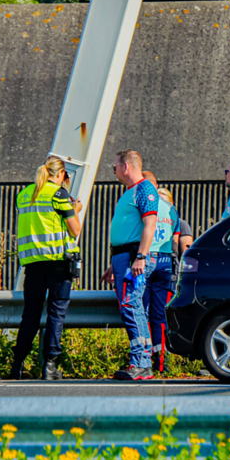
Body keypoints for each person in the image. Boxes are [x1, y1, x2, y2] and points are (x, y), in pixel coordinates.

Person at [9, 157, 83, 381]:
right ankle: (49, 365)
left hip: (32, 263)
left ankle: (17, 364)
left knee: (30, 314)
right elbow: (74, 230)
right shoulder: (59, 194)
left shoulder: (24, 195)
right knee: (56, 312)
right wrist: (75, 209)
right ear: (61, 175)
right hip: (58, 262)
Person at [101, 150, 158, 380]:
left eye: (114, 167)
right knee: (131, 306)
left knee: (132, 305)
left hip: (135, 256)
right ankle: (141, 361)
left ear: (125, 167)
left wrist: (141, 257)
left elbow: (150, 224)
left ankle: (142, 362)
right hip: (125, 257)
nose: (113, 172)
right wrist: (115, 262)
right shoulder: (130, 192)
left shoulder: (144, 189)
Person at [140, 171, 180, 374]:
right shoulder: (171, 209)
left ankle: (142, 359)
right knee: (158, 315)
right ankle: (161, 362)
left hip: (145, 260)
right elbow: (175, 240)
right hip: (165, 263)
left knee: (141, 313)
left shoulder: (142, 204)